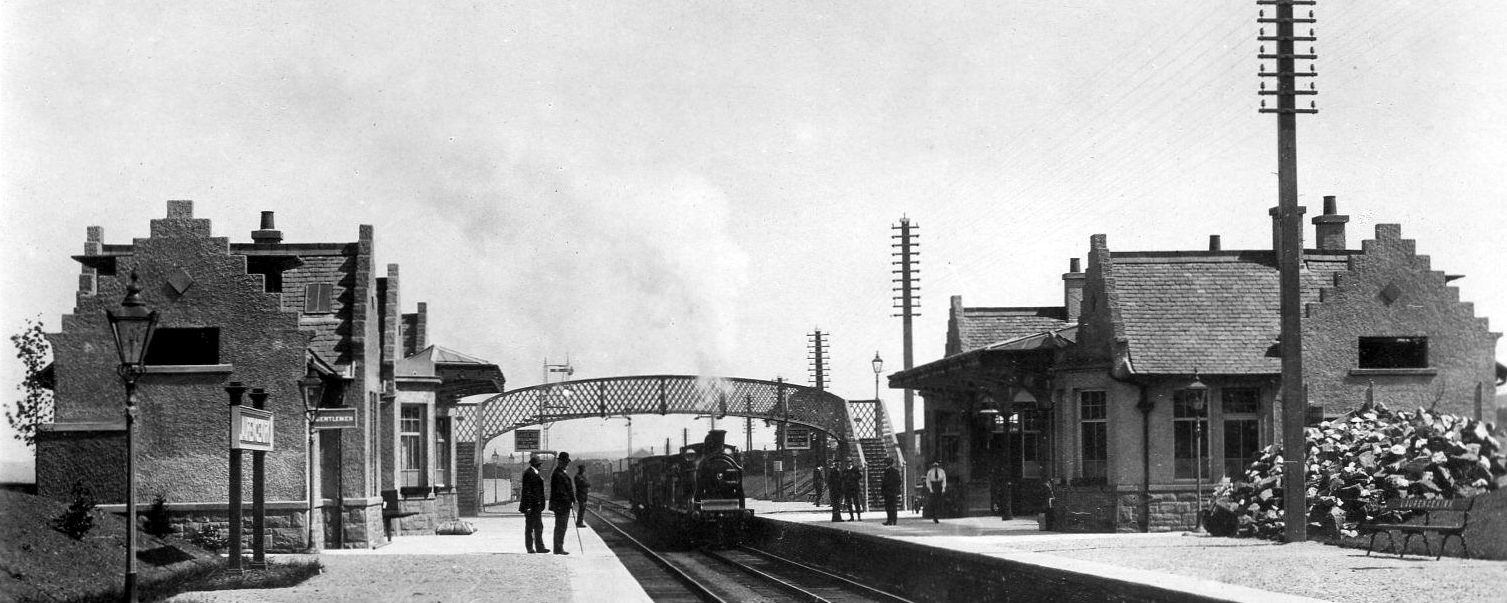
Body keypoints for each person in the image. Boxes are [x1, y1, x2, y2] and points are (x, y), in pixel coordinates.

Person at [548, 451, 576, 555]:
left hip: (562, 504)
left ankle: (559, 547)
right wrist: (570, 501)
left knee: (561, 526)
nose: (567, 464)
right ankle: (558, 549)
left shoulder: (560, 473)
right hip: (561, 505)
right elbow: (561, 491)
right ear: (560, 462)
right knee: (561, 526)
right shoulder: (558, 474)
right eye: (565, 462)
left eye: (567, 462)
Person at [519, 455, 548, 553]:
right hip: (531, 507)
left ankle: (540, 547)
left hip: (536, 507)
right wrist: (528, 506)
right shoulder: (529, 473)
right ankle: (530, 548)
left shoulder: (534, 473)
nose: (541, 466)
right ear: (536, 465)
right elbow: (526, 491)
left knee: (538, 527)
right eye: (540, 464)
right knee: (530, 527)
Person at [880, 457, 902, 526]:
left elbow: (884, 483)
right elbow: (899, 481)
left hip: (888, 492)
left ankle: (890, 520)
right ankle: (893, 521)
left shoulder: (887, 471)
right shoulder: (895, 471)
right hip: (893, 492)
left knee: (889, 506)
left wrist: (883, 491)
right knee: (893, 506)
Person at [573, 463, 591, 528]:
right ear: (580, 469)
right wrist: (585, 483)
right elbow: (583, 483)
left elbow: (588, 483)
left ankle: (580, 522)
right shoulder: (577, 476)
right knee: (581, 508)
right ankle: (579, 522)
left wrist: (585, 483)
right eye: (583, 469)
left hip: (584, 494)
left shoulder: (583, 477)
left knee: (583, 508)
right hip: (580, 494)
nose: (583, 470)